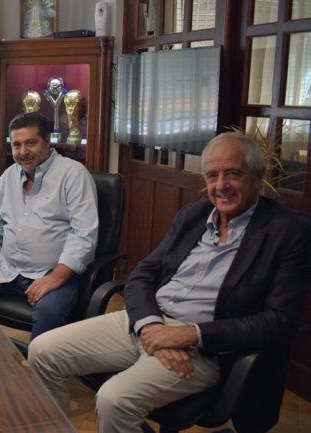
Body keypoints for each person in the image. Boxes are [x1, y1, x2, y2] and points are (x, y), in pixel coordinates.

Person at [28, 132, 311, 433]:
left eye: (233, 174)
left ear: (257, 176)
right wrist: (151, 327)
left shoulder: (288, 232)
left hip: (204, 347)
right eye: (212, 176)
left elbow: (279, 321)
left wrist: (189, 335)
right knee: (42, 351)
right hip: (147, 320)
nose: (221, 186)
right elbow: (143, 274)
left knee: (114, 400)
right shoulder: (194, 214)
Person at [0, 112, 98, 341]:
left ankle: (35, 365)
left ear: (48, 142)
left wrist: (55, 278)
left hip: (52, 271)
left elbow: (84, 236)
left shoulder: (73, 175)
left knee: (49, 313)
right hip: (7, 267)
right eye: (17, 145)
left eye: (31, 143)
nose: (23, 151)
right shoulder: (9, 176)